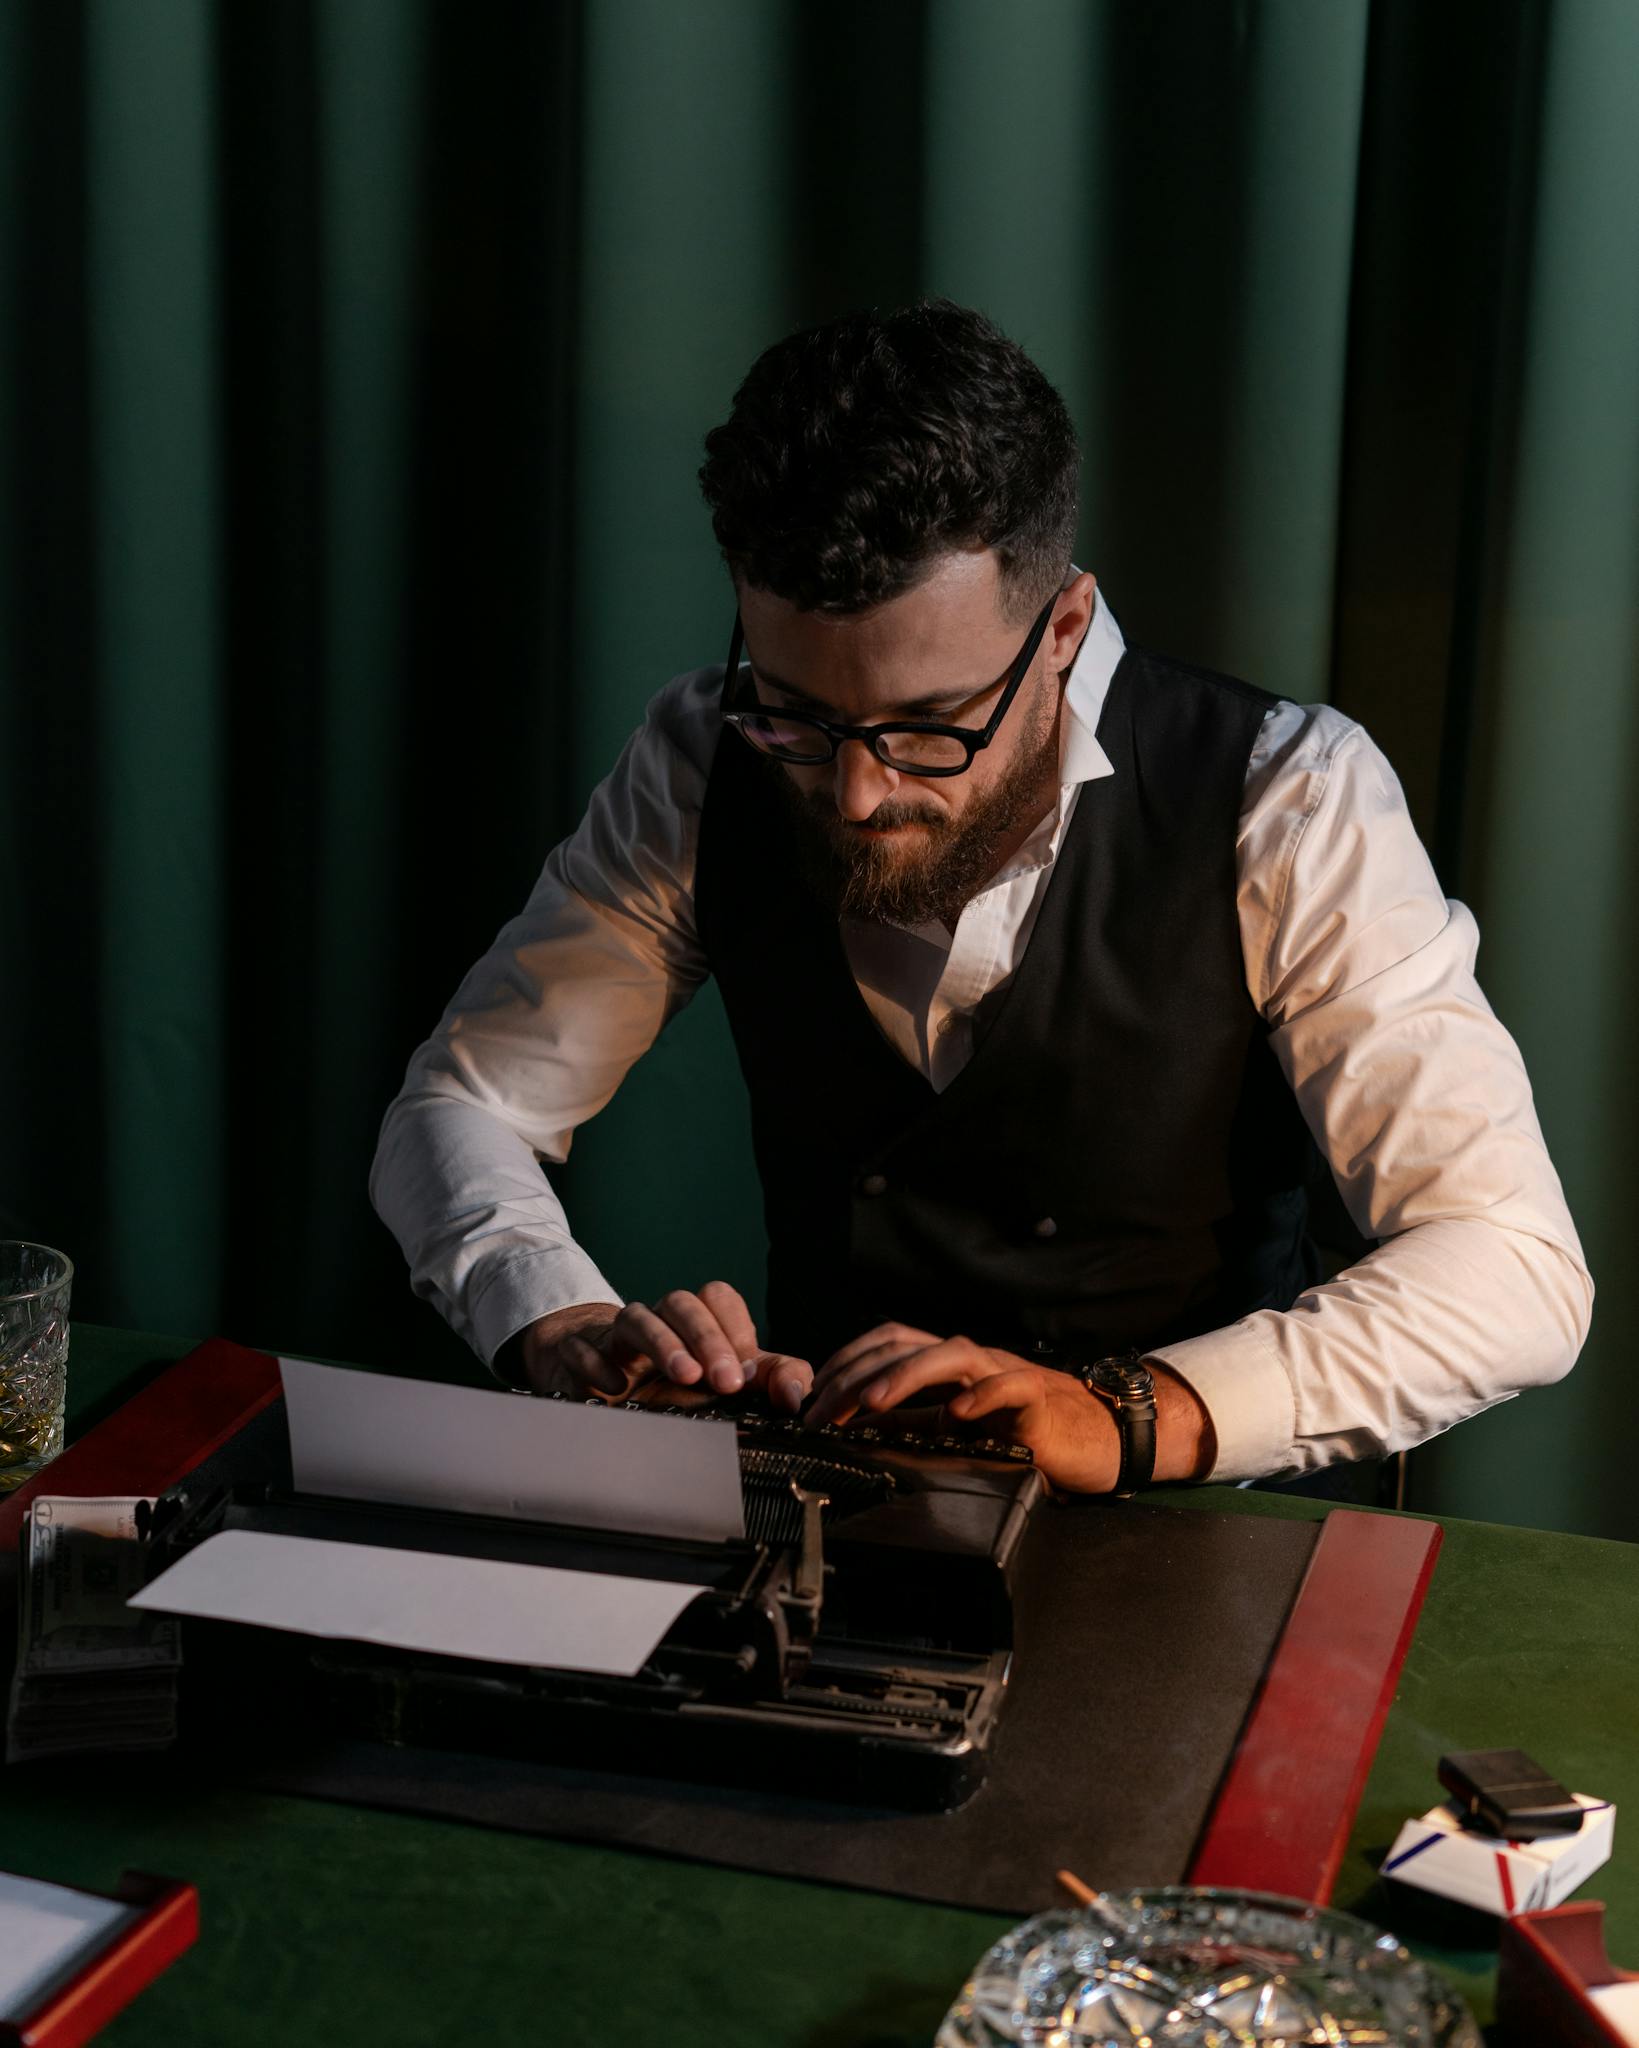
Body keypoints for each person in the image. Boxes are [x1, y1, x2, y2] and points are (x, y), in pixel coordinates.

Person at [370, 299, 1591, 1495]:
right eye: (798, 713)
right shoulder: (704, 759)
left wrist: (1131, 1411)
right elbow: (464, 1102)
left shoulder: (1290, 797)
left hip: (1201, 1527)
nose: (853, 792)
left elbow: (1514, 1264)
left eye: (928, 727)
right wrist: (555, 1315)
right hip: (833, 1512)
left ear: (1062, 627)